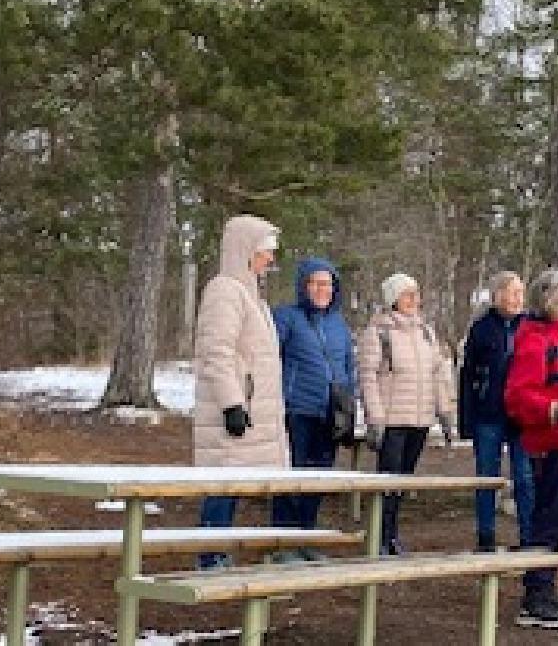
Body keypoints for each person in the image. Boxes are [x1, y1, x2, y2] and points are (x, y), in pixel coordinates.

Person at [191, 215, 287, 570]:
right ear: (245, 250)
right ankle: (210, 553)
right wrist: (232, 403)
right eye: (264, 252)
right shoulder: (225, 291)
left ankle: (218, 548)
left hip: (252, 408)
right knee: (223, 481)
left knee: (232, 483)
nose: (270, 260)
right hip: (232, 409)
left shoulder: (251, 296)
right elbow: (216, 352)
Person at [507, 269, 558, 629]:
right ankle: (535, 594)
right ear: (554, 300)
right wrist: (557, 409)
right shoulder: (535, 340)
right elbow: (518, 397)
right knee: (547, 518)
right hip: (545, 443)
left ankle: (546, 585)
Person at [357, 273, 457, 556]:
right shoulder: (378, 333)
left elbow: (437, 375)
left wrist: (445, 413)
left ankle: (392, 534)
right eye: (407, 295)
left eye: (416, 294)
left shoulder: (426, 333)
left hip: (420, 420)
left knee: (403, 481)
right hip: (392, 421)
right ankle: (379, 536)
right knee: (388, 482)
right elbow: (368, 377)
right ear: (393, 299)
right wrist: (375, 418)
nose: (414, 300)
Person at [269, 257, 360, 561]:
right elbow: (270, 360)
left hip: (329, 414)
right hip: (296, 409)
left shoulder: (339, 325)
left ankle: (306, 537)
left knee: (318, 478)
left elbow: (349, 367)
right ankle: (283, 542)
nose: (323, 290)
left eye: (328, 284)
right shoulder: (286, 317)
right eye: (316, 283)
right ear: (303, 286)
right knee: (290, 478)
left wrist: (349, 403)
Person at [459, 271, 534, 553]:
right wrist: (466, 420)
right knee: (487, 477)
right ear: (498, 295)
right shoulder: (481, 329)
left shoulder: (529, 327)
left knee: (525, 477)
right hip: (488, 413)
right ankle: (486, 537)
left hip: (522, 416)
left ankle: (528, 535)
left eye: (520, 292)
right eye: (512, 292)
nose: (517, 298)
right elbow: (467, 375)